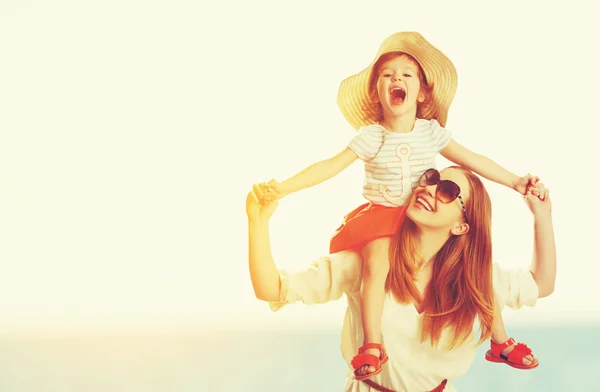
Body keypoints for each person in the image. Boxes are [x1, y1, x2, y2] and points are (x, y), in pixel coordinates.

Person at [255, 31, 543, 378]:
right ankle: (373, 345)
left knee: (474, 269)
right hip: (382, 219)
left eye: (406, 75)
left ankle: (500, 341)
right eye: (388, 75)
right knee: (376, 263)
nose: (397, 79)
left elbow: (472, 158)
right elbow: (330, 166)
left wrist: (514, 181)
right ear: (377, 93)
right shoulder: (371, 136)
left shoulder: (431, 132)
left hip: (419, 215)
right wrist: (284, 188)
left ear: (421, 93)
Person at [247, 166, 556, 392]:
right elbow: (272, 288)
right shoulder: (367, 264)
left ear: (462, 226)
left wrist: (541, 215)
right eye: (432, 179)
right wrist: (258, 221)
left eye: (448, 191)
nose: (430, 189)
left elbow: (541, 284)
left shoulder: (477, 278)